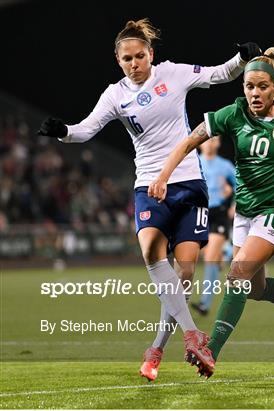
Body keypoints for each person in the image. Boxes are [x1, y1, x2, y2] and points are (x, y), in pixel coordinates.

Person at [36, 18, 261, 380]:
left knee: (184, 273)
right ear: (118, 61)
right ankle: (191, 335)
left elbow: (219, 74)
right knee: (150, 253)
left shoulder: (172, 74)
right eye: (127, 59)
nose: (134, 63)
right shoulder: (115, 95)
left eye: (140, 56)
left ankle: (156, 348)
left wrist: (240, 58)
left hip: (189, 183)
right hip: (149, 186)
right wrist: (63, 132)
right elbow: (85, 130)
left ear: (151, 55)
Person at [148, 46, 274, 378]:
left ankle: (211, 350)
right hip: (245, 214)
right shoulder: (233, 114)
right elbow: (187, 142)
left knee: (237, 276)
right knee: (254, 289)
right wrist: (162, 176)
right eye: (248, 86)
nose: (254, 93)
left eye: (261, 87)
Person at [191, 136, 236, 316]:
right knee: (204, 255)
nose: (210, 143)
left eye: (214, 139)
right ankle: (225, 254)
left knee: (209, 257)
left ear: (218, 143)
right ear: (200, 142)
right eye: (207, 139)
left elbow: (240, 186)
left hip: (218, 213)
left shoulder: (224, 165)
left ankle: (205, 304)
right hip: (198, 213)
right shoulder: (193, 162)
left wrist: (234, 204)